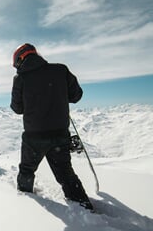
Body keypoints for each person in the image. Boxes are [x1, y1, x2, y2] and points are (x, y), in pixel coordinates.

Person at [10, 43, 93, 210]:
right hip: (59, 134)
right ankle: (83, 206)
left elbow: (17, 108)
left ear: (20, 59)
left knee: (27, 170)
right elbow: (77, 96)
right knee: (65, 173)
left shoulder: (20, 78)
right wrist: (57, 94)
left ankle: (24, 203)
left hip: (34, 136)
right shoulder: (60, 70)